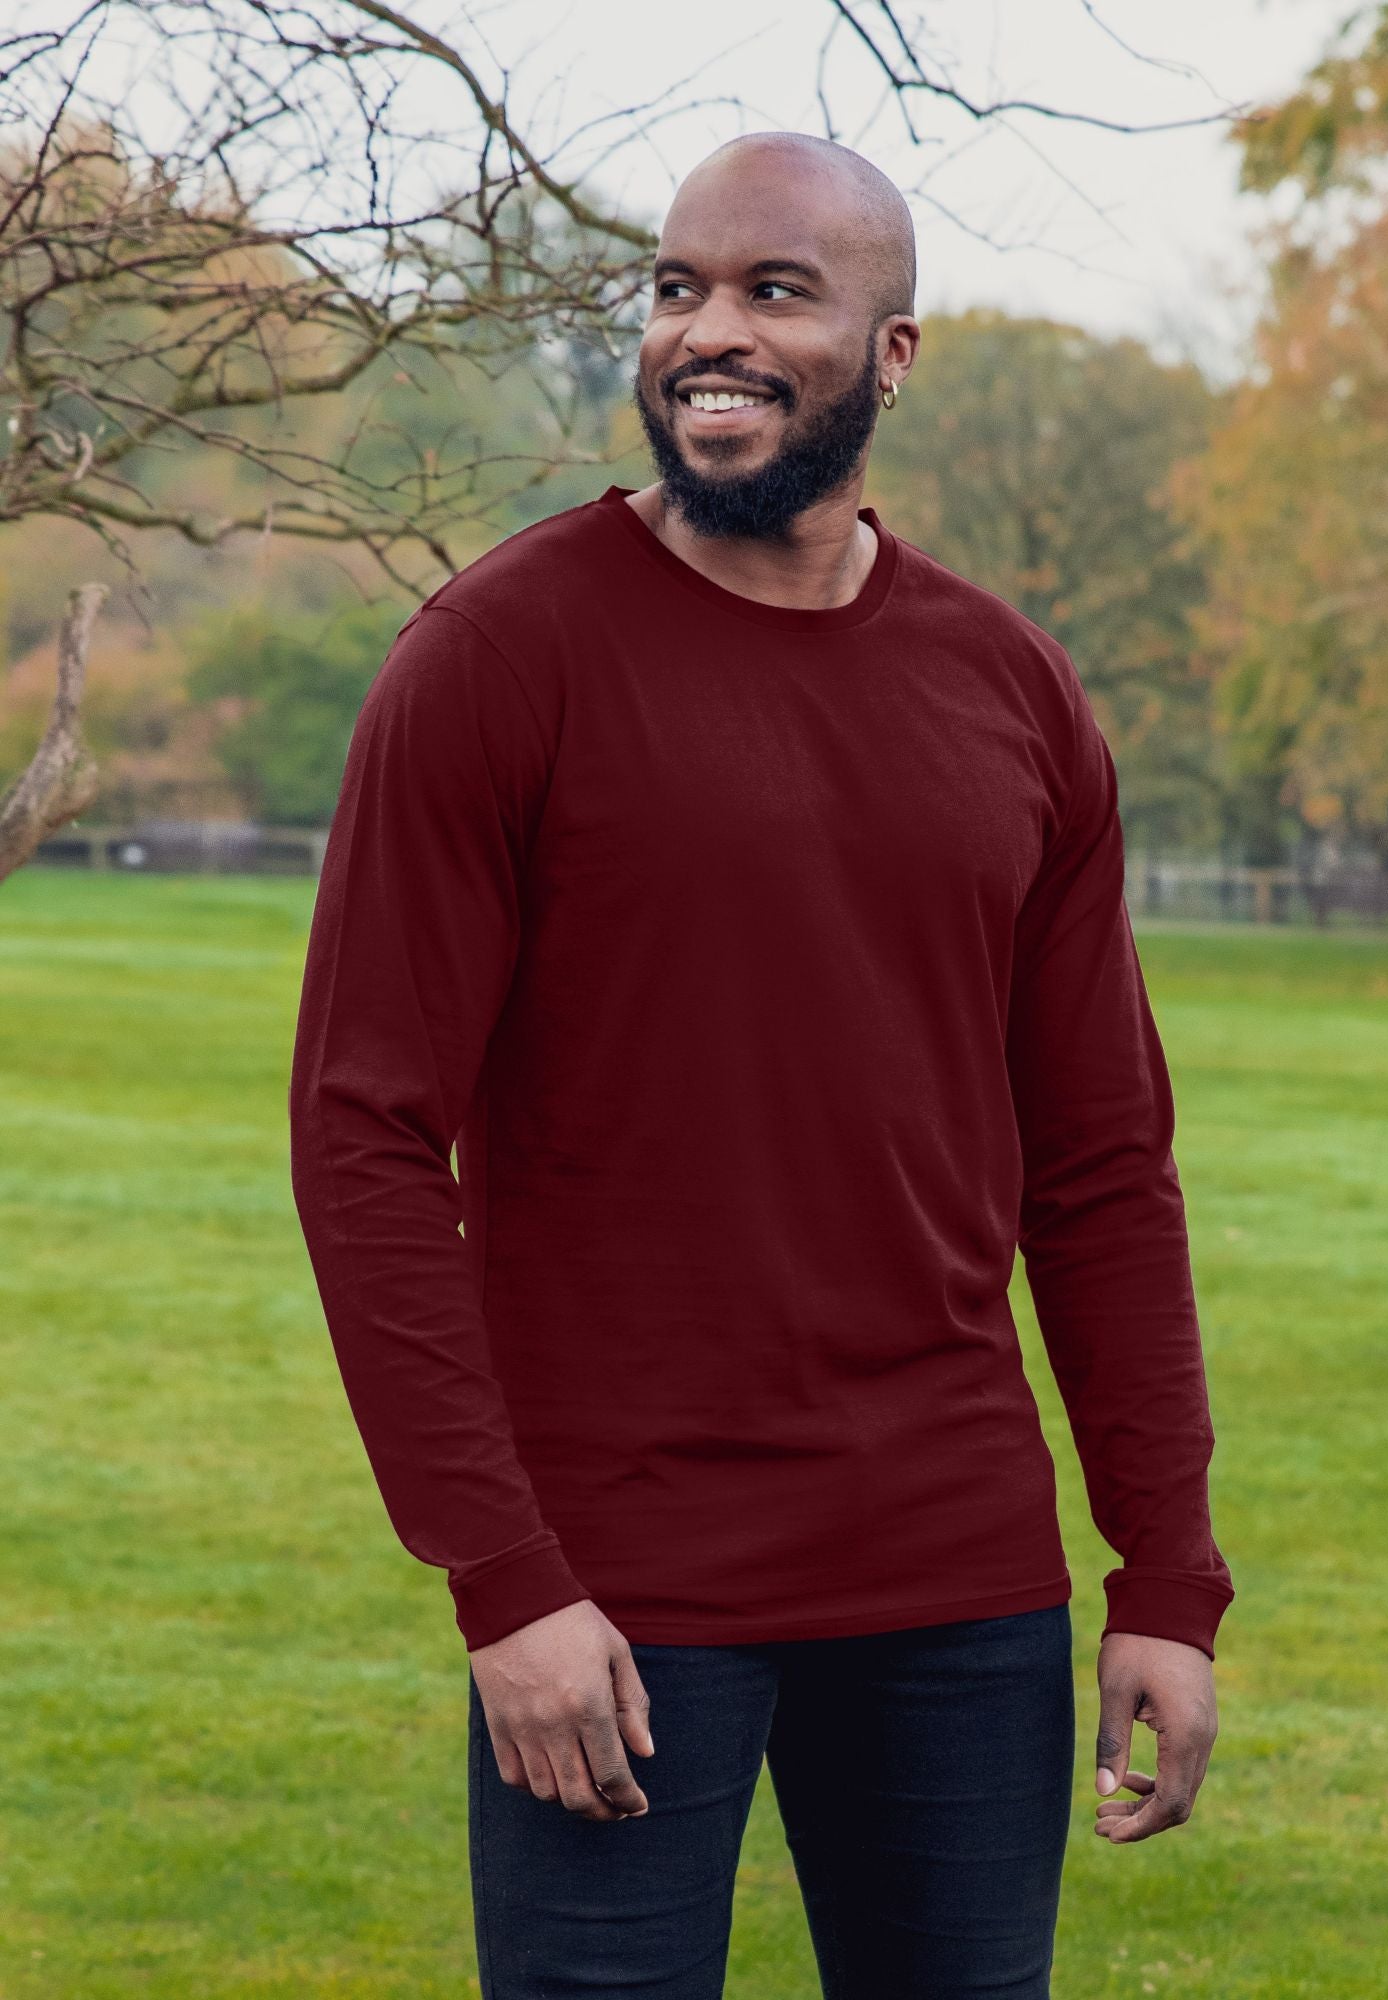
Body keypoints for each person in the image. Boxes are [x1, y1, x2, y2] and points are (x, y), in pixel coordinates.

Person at [288, 128, 1235, 2000]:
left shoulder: (1013, 690)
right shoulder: (499, 658)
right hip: (616, 1597)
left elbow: (1104, 1165)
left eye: (774, 292)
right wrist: (506, 1580)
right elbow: (366, 1137)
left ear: (891, 354)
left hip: (960, 1575)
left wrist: (1170, 1577)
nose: (706, 333)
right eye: (676, 289)